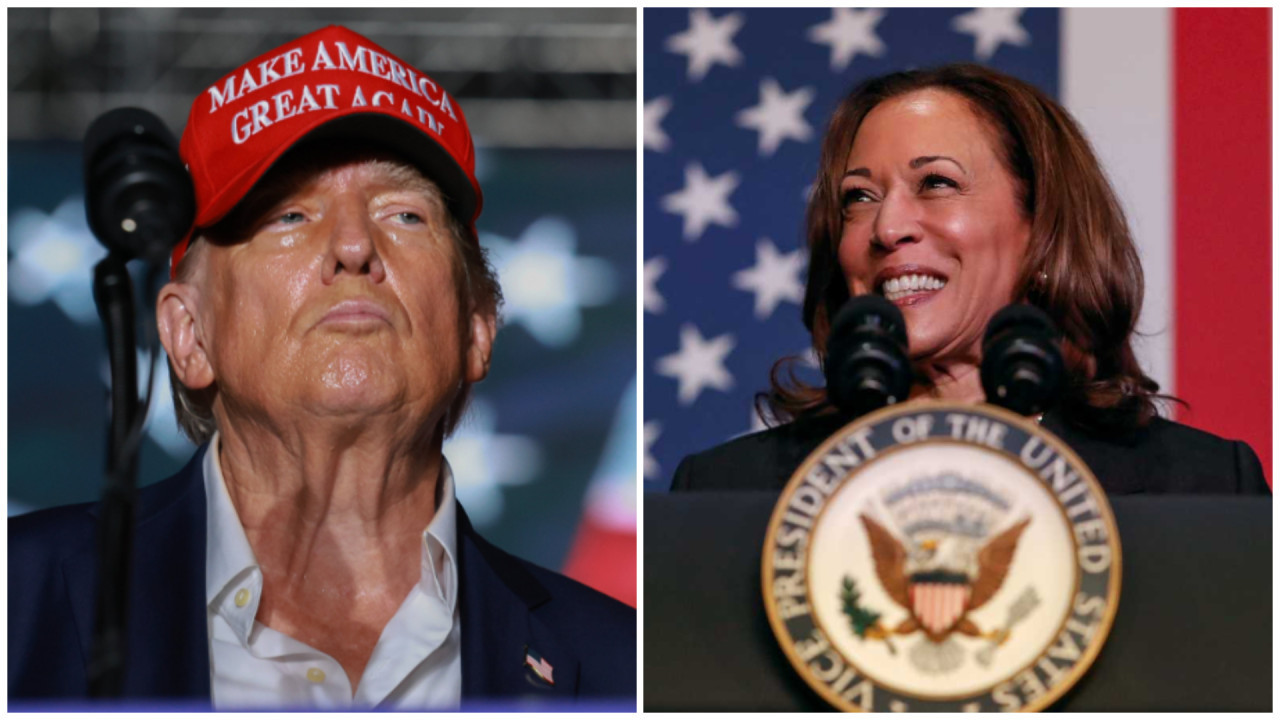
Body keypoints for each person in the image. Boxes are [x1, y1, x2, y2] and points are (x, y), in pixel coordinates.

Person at [9, 25, 635, 709]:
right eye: (288, 215)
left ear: (478, 327)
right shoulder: (21, 600)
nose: (353, 245)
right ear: (187, 335)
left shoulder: (622, 668)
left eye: (403, 214)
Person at [671, 64, 1268, 496]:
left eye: (935, 183)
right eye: (859, 197)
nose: (887, 227)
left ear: (1040, 226)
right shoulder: (730, 495)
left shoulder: (1203, 489)